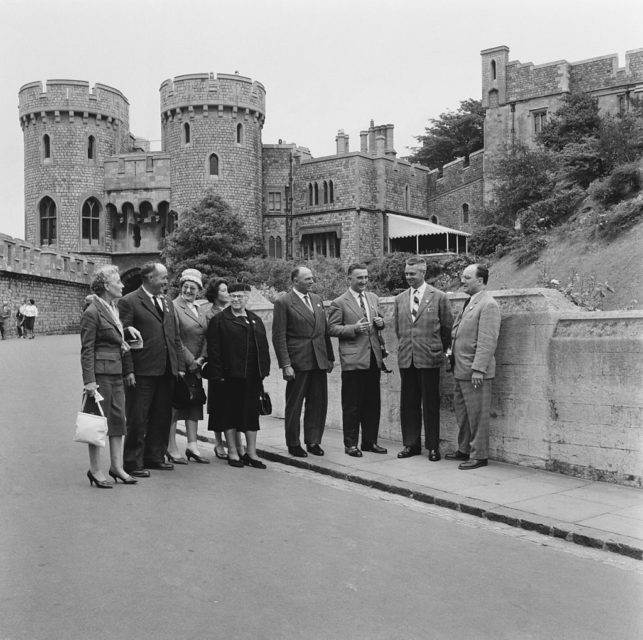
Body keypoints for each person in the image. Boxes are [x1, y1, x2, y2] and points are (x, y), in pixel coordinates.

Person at [119, 262, 185, 477]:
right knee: (138, 417)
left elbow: (175, 336)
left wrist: (179, 366)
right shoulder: (129, 301)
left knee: (161, 416)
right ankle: (132, 461)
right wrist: (128, 370)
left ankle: (154, 456)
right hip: (142, 370)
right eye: (162, 277)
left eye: (166, 277)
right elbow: (124, 340)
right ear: (148, 278)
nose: (166, 281)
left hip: (166, 369)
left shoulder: (167, 302)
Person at [80, 265, 140, 488]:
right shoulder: (92, 312)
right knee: (96, 422)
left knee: (118, 420)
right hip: (100, 375)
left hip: (115, 373)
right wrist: (89, 382)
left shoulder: (112, 308)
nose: (122, 285)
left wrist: (126, 333)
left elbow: (113, 334)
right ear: (106, 286)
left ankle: (117, 467)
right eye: (118, 282)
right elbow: (87, 349)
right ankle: (95, 470)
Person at [394, 257, 453, 462]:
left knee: (430, 404)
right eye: (407, 273)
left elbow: (447, 329)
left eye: (413, 273)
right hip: (406, 357)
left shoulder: (439, 297)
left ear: (423, 273)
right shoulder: (400, 298)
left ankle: (433, 446)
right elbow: (398, 329)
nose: (409, 277)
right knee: (408, 404)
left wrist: (439, 349)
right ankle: (410, 444)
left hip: (429, 357)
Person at [272, 266, 334, 457]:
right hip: (298, 361)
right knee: (295, 404)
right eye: (307, 279)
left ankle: (313, 441)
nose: (311, 281)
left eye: (312, 278)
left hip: (318, 360)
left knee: (318, 403)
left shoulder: (316, 300)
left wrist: (329, 357)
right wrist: (285, 365)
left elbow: (323, 331)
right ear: (295, 281)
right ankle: (293, 443)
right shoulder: (284, 302)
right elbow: (278, 336)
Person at [207, 283, 270, 469]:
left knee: (251, 415)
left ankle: (251, 453)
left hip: (252, 377)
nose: (235, 300)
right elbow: (214, 350)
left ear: (247, 298)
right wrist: (218, 375)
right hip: (228, 377)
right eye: (233, 296)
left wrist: (262, 372)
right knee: (229, 414)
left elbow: (263, 348)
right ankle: (233, 452)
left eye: (240, 296)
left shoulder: (255, 320)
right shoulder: (219, 320)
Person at [446, 263, 501, 470]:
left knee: (477, 416)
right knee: (463, 414)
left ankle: (479, 455)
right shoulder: (470, 302)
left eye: (467, 278)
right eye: (462, 277)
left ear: (480, 281)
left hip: (474, 372)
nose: (462, 280)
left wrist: (479, 369)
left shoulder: (488, 305)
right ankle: (464, 449)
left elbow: (487, 340)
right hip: (460, 370)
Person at [328, 263, 387, 457]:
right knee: (352, 404)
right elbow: (332, 329)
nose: (363, 281)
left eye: (366, 278)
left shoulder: (373, 298)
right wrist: (353, 328)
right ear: (349, 279)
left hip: (373, 358)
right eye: (359, 278)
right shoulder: (340, 302)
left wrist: (381, 323)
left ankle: (370, 442)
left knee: (372, 403)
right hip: (353, 361)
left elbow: (378, 321)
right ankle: (351, 444)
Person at [167, 268, 209, 465]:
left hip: (197, 366)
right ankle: (170, 446)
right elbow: (175, 338)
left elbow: (207, 336)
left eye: (193, 287)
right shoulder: (174, 306)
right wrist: (191, 361)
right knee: (175, 405)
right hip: (181, 365)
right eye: (186, 286)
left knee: (194, 404)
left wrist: (202, 358)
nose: (189, 290)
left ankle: (192, 445)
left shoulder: (200, 309)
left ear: (199, 290)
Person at [203, 277, 230, 459]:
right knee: (218, 404)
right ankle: (218, 442)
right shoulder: (209, 314)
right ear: (215, 294)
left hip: (233, 364)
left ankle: (234, 443)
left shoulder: (233, 311)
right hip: (217, 364)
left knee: (232, 405)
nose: (227, 293)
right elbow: (208, 340)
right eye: (223, 290)